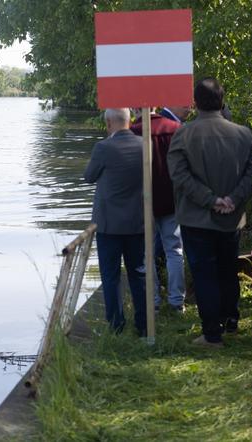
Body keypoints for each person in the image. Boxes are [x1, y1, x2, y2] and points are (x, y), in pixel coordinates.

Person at [168, 77, 252, 347]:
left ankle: (212, 333)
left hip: (197, 218)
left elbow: (179, 176)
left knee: (204, 273)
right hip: (231, 216)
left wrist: (210, 200)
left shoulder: (183, 134)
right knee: (228, 268)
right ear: (222, 101)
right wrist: (233, 198)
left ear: (195, 103)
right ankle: (231, 320)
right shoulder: (243, 134)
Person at [84, 108, 147, 336]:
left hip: (109, 225)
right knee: (138, 273)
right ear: (129, 121)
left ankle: (116, 325)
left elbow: (89, 176)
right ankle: (144, 325)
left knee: (110, 276)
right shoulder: (144, 145)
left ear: (109, 122)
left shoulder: (103, 148)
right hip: (137, 221)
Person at [131, 110, 186, 312]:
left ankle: (152, 302)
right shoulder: (175, 129)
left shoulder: (132, 132)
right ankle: (176, 301)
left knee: (147, 254)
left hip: (143, 203)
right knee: (175, 250)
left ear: (135, 109)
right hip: (171, 201)